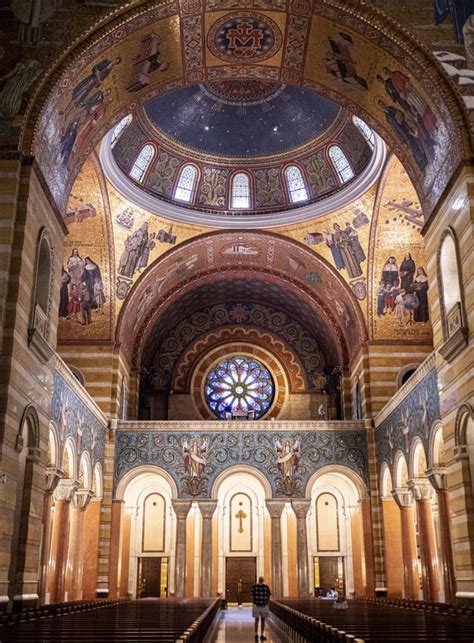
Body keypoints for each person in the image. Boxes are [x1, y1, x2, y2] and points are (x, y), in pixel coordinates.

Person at [251, 576, 271, 641]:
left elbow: (251, 595)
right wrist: (267, 603)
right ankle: (261, 634)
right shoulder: (266, 587)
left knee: (257, 620)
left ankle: (256, 634)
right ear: (263, 580)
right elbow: (269, 595)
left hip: (257, 605)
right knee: (263, 620)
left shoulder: (254, 586)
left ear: (258, 580)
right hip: (264, 605)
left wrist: (253, 603)